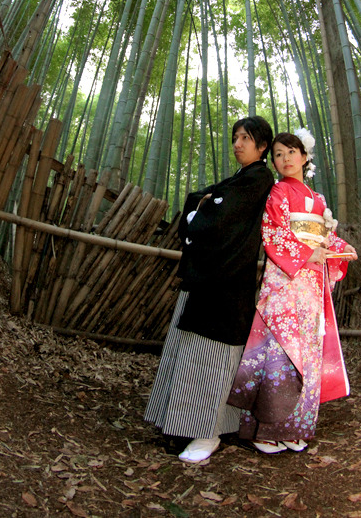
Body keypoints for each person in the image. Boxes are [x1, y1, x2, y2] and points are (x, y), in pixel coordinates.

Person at [144, 115, 274, 463]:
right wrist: (200, 205)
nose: (237, 144)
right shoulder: (241, 178)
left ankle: (208, 433)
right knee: (192, 353)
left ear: (262, 147)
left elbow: (219, 211)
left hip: (227, 283)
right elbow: (205, 200)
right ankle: (182, 426)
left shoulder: (259, 177)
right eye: (235, 137)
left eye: (245, 138)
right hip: (212, 279)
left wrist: (198, 211)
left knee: (213, 359)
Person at [228, 129, 357, 454]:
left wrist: (340, 248)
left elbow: (325, 237)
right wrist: (305, 253)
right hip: (286, 283)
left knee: (308, 353)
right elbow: (272, 232)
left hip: (311, 285)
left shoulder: (319, 200)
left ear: (304, 156)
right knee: (280, 352)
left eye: (290, 152)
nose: (284, 160)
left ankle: (296, 427)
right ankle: (266, 430)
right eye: (278, 155)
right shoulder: (277, 193)